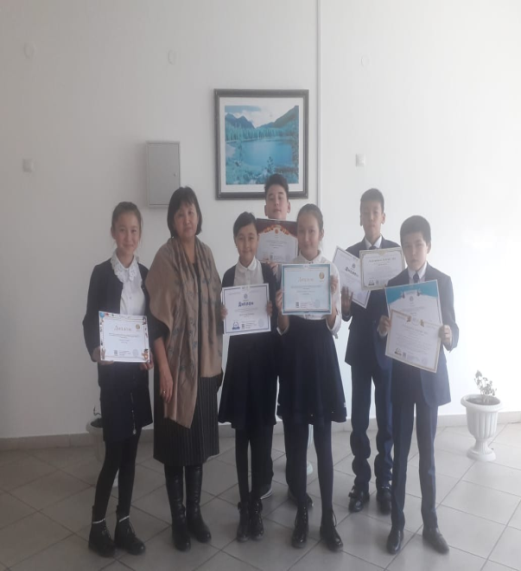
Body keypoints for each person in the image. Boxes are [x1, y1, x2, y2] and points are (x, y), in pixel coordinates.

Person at [146, 187, 223, 552]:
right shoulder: (164, 258)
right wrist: (163, 370)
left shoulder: (207, 255)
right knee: (176, 447)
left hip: (204, 367)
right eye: (180, 214)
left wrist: (226, 312)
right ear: (172, 221)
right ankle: (178, 519)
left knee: (198, 447)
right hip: (174, 369)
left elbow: (216, 305)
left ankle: (194, 513)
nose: (187, 219)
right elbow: (155, 322)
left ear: (198, 215)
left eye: (190, 212)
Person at [378, 215, 459, 555]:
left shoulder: (442, 282)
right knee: (399, 457)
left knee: (427, 457)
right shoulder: (393, 285)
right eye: (407, 246)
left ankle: (431, 525)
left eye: (418, 245)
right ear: (402, 248)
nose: (413, 251)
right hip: (401, 382)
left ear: (428, 246)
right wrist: (382, 329)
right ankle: (397, 525)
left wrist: (449, 335)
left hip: (428, 383)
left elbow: (453, 327)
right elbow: (383, 331)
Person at [83, 202, 153, 558]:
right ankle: (97, 526)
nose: (129, 236)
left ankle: (123, 523)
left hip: (136, 376)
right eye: (122, 229)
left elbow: (150, 322)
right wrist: (96, 350)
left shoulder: (146, 273)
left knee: (131, 454)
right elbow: (89, 321)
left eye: (134, 230)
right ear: (113, 232)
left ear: (140, 234)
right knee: (114, 452)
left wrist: (150, 351)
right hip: (112, 377)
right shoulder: (100, 273)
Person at [276, 204, 346, 552]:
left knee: (323, 442)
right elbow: (283, 328)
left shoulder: (331, 270)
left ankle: (327, 518)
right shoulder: (287, 271)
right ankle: (302, 514)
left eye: (312, 230)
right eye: (301, 230)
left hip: (320, 358)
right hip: (294, 359)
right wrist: (280, 309)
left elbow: (334, 325)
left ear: (321, 234)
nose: (306, 237)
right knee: (295, 443)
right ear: (296, 234)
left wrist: (331, 302)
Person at [219, 212, 279, 542]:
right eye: (241, 237)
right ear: (234, 241)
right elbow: (221, 323)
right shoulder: (228, 276)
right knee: (241, 436)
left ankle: (256, 504)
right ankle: (245, 504)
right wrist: (221, 315)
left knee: (262, 436)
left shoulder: (270, 274)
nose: (246, 243)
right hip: (240, 366)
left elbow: (281, 319)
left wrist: (273, 312)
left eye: (251, 237)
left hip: (265, 366)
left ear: (258, 240)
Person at [340, 188, 398, 514]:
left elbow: (403, 301)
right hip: (361, 348)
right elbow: (345, 312)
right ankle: (361, 482)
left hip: (387, 349)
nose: (370, 217)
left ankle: (385, 483)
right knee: (359, 420)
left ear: (383, 217)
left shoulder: (395, 255)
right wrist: (346, 306)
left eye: (375, 212)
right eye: (365, 212)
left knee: (387, 421)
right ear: (360, 217)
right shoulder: (349, 257)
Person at [263, 174, 314, 508]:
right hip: (265, 337)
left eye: (281, 196)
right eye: (271, 196)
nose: (276, 201)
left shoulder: (302, 243)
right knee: (268, 405)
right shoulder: (258, 242)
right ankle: (264, 473)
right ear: (265, 204)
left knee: (296, 408)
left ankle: (297, 475)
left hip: (295, 339)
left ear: (288, 204)